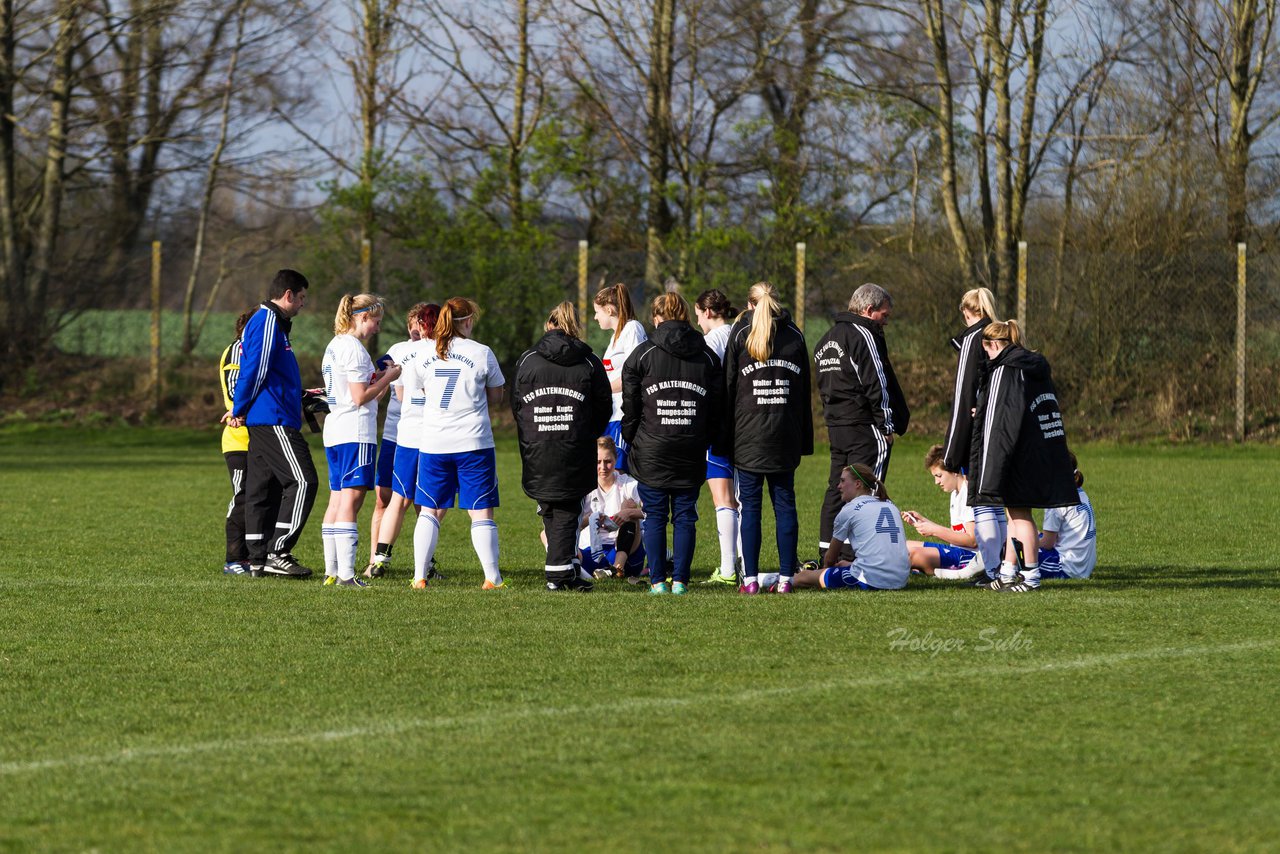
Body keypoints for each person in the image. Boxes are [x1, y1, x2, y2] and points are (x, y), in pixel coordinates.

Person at [622, 292, 722, 595]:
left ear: (656, 317)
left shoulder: (642, 354)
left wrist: (633, 437)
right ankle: (680, 580)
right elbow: (715, 407)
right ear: (686, 316)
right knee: (684, 515)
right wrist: (705, 437)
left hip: (652, 446)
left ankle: (657, 583)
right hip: (691, 445)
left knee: (654, 515)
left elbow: (631, 406)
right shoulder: (706, 355)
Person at [404, 297, 506, 590]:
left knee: (429, 510)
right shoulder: (482, 352)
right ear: (468, 320)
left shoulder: (423, 354)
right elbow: (497, 397)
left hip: (434, 442)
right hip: (473, 442)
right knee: (481, 511)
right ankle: (492, 577)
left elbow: (419, 392)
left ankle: (419, 576)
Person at [969, 319, 1078, 592]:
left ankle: (1031, 576)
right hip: (1036, 451)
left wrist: (993, 463)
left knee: (1021, 516)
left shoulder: (1006, 369)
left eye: (986, 352)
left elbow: (1002, 421)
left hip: (1018, 454)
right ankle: (1008, 572)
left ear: (991, 345)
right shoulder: (1030, 367)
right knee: (1013, 514)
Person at [719, 281, 813, 594]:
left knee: (751, 508)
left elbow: (728, 390)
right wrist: (804, 440)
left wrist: (724, 438)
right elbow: (803, 394)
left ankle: (751, 581)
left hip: (747, 436)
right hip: (784, 435)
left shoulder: (740, 333)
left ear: (749, 305)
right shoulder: (794, 334)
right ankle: (787, 579)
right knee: (785, 506)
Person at [223, 269, 319, 579]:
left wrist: (301, 395)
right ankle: (280, 551)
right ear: (288, 295)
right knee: (304, 481)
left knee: (260, 490)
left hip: (271, 416)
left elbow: (272, 375)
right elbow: (256, 368)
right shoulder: (267, 321)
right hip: (272, 419)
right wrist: (240, 408)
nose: (303, 304)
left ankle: (258, 558)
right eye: (302, 298)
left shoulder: (276, 324)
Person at [511, 301, 612, 591]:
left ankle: (564, 568)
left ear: (548, 326)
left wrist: (533, 432)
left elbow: (516, 405)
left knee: (552, 506)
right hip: (573, 445)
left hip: (538, 445)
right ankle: (559, 573)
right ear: (575, 327)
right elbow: (603, 405)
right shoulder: (589, 361)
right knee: (569, 506)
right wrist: (585, 432)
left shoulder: (528, 359)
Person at [813, 282, 910, 562]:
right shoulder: (862, 335)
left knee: (838, 488)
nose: (886, 322)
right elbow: (876, 383)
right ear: (869, 310)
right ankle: (857, 554)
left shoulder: (825, 340)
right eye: (884, 315)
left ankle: (827, 552)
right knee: (870, 489)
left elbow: (824, 387)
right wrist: (886, 425)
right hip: (865, 427)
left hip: (836, 427)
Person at [317, 294, 400, 587]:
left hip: (336, 429)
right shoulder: (353, 348)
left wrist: (378, 379)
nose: (377, 328)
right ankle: (347, 575)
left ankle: (331, 571)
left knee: (337, 499)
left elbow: (356, 390)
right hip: (355, 432)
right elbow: (359, 396)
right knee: (351, 500)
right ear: (362, 317)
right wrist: (389, 377)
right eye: (375, 321)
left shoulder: (335, 345)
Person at [366, 302, 438, 579]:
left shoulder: (413, 354)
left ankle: (421, 562)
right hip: (403, 435)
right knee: (390, 499)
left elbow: (401, 394)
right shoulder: (400, 351)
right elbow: (394, 393)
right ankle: (377, 560)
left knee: (418, 501)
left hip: (414, 433)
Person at [793, 464, 910, 591]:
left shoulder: (849, 509)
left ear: (858, 484)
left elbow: (830, 558)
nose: (839, 486)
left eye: (843, 481)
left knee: (802, 577)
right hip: (901, 579)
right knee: (845, 565)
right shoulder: (890, 504)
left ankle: (780, 583)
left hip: (872, 580)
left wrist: (825, 571)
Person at [694, 288, 741, 586]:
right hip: (744, 424)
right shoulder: (739, 334)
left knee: (722, 498)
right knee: (741, 497)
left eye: (698, 314)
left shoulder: (712, 340)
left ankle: (727, 569)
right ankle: (743, 564)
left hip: (719, 426)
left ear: (708, 311)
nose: (697, 320)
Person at [900, 444, 985, 580]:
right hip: (957, 551)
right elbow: (957, 534)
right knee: (902, 545)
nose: (936, 482)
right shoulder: (955, 493)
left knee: (915, 554)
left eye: (939, 476)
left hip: (970, 557)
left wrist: (933, 530)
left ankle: (918, 568)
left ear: (954, 470)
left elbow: (972, 541)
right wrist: (923, 521)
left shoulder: (968, 493)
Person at [218, 309, 257, 575]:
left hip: (261, 439)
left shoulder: (258, 353)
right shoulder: (237, 351)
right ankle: (234, 558)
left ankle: (256, 554)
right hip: (238, 440)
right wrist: (242, 411)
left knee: (262, 497)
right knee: (242, 496)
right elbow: (236, 394)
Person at [593, 282, 647, 472]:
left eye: (597, 312)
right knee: (606, 474)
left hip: (624, 415)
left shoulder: (632, 329)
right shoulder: (615, 335)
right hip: (611, 413)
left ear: (609, 310)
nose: (595, 317)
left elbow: (635, 375)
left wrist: (601, 391)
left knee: (618, 473)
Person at [577, 437, 647, 583]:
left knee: (629, 506)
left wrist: (628, 513)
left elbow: (653, 512)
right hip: (591, 551)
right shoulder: (583, 486)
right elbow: (570, 525)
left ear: (616, 460)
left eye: (608, 462)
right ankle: (583, 569)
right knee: (546, 533)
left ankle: (617, 567)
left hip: (625, 551)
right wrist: (590, 519)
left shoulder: (628, 483)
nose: (603, 467)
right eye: (597, 462)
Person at [1036, 452, 1097, 580]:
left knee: (1019, 545)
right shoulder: (1080, 492)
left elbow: (1047, 543)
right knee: (1030, 536)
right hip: (1084, 565)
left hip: (1067, 568)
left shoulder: (1057, 498)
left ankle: (998, 573)